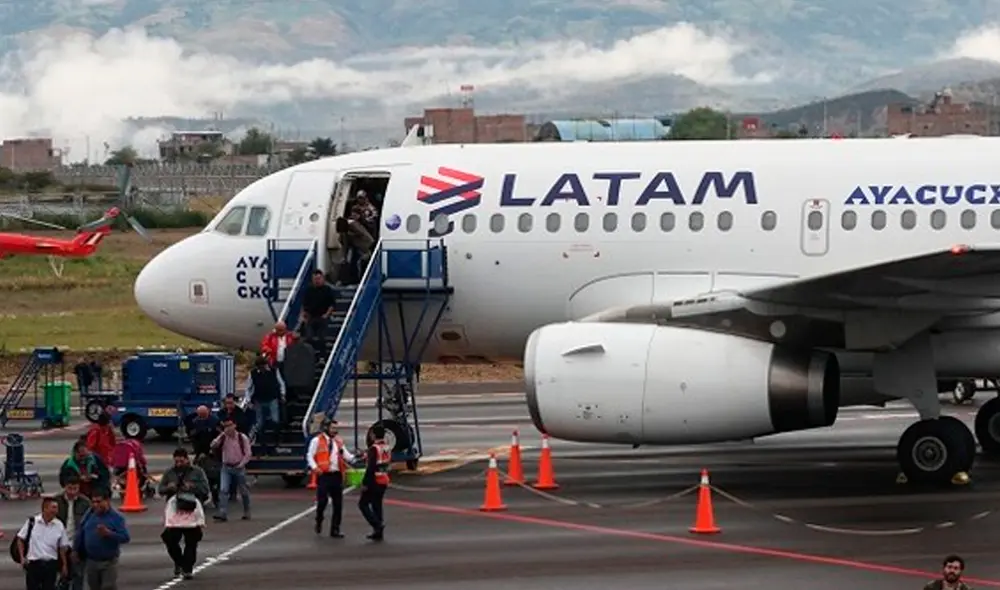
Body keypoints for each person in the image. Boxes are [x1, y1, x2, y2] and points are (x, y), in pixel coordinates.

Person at [159, 450, 208, 580]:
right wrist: (169, 488)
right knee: (169, 538)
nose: (179, 464)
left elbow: (205, 490)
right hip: (175, 511)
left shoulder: (197, 472)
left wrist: (191, 487)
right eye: (176, 461)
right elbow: (160, 490)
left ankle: (188, 568)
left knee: (192, 541)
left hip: (191, 510)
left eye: (181, 461)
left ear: (187, 459)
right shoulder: (170, 472)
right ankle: (179, 562)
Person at [306, 419, 356, 537]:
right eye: (333, 428)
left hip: (336, 475)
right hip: (324, 475)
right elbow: (310, 455)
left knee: (338, 504)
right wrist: (315, 467)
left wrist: (356, 457)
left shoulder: (338, 441)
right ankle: (319, 519)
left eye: (336, 428)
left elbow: (347, 456)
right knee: (322, 502)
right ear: (325, 428)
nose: (335, 431)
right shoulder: (317, 440)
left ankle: (335, 529)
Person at [74, 488, 130, 590]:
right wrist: (76, 550)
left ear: (107, 501)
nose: (95, 505)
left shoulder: (116, 518)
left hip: (108, 562)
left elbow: (125, 537)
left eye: (99, 502)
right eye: (93, 502)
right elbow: (81, 531)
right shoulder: (89, 514)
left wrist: (109, 534)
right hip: (91, 561)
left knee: (107, 587)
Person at [15, 496, 71, 590]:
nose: (56, 510)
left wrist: (64, 565)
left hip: (51, 565)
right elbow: (20, 539)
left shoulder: (59, 525)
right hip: (34, 564)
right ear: (45, 508)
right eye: (53, 507)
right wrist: (22, 558)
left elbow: (62, 547)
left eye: (56, 508)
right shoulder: (32, 522)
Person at [210, 419, 252, 522]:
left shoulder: (242, 438)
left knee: (243, 491)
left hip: (239, 467)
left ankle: (247, 511)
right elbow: (213, 445)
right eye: (226, 426)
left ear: (235, 425)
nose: (228, 428)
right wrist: (221, 435)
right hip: (226, 467)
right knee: (224, 489)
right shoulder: (223, 438)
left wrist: (241, 464)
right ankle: (223, 513)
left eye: (230, 426)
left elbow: (248, 453)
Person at [55, 477, 92, 590]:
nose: (72, 492)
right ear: (65, 487)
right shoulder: (57, 501)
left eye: (75, 488)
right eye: (69, 488)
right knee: (63, 576)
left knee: (78, 576)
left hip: (78, 545)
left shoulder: (85, 503)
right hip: (61, 545)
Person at [358, 424, 392, 542]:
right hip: (384, 478)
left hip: (375, 480)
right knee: (377, 504)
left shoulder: (374, 448)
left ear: (373, 435)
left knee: (363, 504)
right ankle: (378, 530)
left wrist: (365, 483)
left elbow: (371, 467)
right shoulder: (386, 447)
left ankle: (377, 524)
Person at [245, 355, 283, 451]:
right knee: (260, 423)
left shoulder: (274, 371)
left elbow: (281, 383)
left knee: (276, 420)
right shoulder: (253, 374)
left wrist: (282, 394)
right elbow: (248, 387)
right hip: (259, 400)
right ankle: (263, 444)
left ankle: (276, 441)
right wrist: (248, 400)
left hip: (272, 398)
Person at [299, 270, 336, 342]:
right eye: (315, 279)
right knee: (308, 337)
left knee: (321, 337)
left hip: (322, 317)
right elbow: (304, 304)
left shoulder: (327, 290)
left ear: (323, 279)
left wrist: (326, 315)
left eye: (319, 279)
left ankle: (322, 352)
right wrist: (303, 315)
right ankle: (311, 351)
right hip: (311, 317)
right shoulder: (309, 290)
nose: (317, 281)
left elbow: (332, 304)